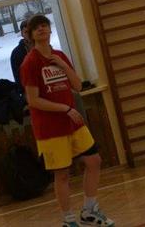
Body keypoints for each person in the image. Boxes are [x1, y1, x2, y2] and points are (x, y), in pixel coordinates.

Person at [19, 14, 114, 227]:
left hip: (73, 123)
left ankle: (89, 210)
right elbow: (33, 100)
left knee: (94, 161)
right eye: (36, 28)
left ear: (50, 29)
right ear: (31, 35)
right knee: (62, 174)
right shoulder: (30, 62)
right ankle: (68, 220)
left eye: (44, 25)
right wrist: (65, 109)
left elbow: (78, 86)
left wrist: (64, 65)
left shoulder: (59, 56)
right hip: (50, 128)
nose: (42, 29)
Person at [9, 18, 31, 90]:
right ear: (22, 34)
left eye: (31, 31)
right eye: (26, 32)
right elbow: (18, 77)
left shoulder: (43, 48)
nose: (29, 34)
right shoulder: (16, 53)